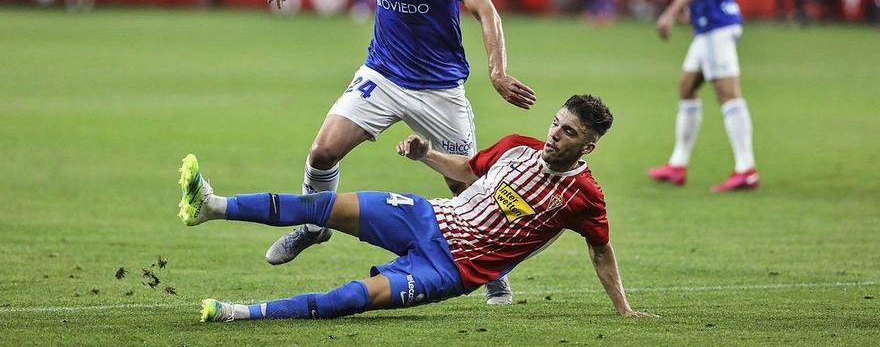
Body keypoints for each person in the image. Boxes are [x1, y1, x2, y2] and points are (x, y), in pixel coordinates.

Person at [264, 0, 536, 304]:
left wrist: (497, 72)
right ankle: (314, 225)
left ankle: (493, 267)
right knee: (321, 152)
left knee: (464, 184)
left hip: (439, 89)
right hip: (382, 75)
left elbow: (486, 11)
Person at [175, 94, 655, 322]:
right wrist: (427, 155)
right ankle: (210, 205)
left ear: (587, 147)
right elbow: (469, 170)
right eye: (556, 123)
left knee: (354, 298)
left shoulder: (584, 197)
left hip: (450, 269)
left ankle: (236, 313)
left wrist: (625, 310)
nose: (554, 134)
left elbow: (601, 251)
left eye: (568, 132)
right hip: (428, 217)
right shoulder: (517, 146)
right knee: (319, 205)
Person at [648, 0, 760, 192]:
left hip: (715, 25)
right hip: (708, 22)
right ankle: (678, 164)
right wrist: (689, 9)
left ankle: (746, 168)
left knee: (727, 93)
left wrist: (670, 12)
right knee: (687, 86)